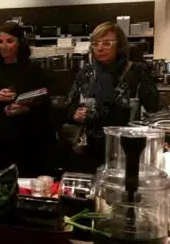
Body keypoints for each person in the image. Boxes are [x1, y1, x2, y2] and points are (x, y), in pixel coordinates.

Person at [67, 21, 160, 173]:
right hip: (90, 150)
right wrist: (76, 114)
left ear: (119, 45)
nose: (100, 48)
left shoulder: (136, 71)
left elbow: (154, 110)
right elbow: (71, 107)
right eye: (95, 44)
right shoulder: (86, 72)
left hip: (127, 149)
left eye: (107, 43)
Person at [0, 22, 57, 177]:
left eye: (9, 41)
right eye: (0, 42)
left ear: (20, 42)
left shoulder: (33, 69)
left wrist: (25, 108)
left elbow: (45, 100)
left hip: (27, 140)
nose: (4, 46)